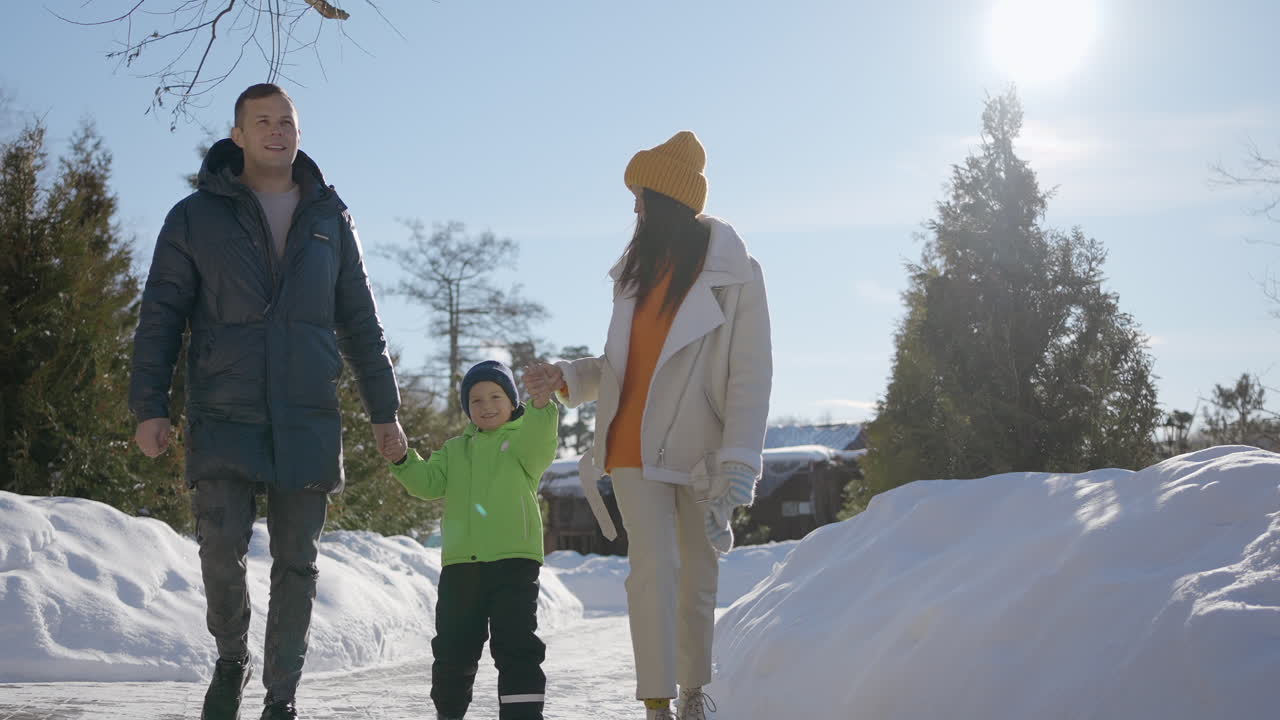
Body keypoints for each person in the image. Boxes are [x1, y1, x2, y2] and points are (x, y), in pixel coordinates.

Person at [129, 83, 407, 720]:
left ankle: (281, 696)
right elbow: (161, 316)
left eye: (287, 121)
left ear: (298, 133)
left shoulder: (331, 219)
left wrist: (383, 411)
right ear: (239, 136)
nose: (277, 131)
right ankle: (231, 657)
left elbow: (363, 322)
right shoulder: (193, 217)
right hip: (223, 409)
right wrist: (150, 405)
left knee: (297, 565)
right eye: (263, 121)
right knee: (219, 551)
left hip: (308, 412)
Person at [524, 130, 773, 720]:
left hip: (701, 453)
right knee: (652, 573)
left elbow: (750, 371)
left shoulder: (737, 274)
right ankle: (656, 704)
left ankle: (691, 694)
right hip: (631, 445)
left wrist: (740, 456)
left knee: (697, 578)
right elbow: (621, 368)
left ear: (665, 200)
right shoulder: (632, 276)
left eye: (639, 195)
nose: (633, 207)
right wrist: (568, 376)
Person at [390, 360, 559, 720]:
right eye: (476, 400)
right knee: (453, 647)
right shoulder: (455, 449)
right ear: (467, 409)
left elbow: (542, 445)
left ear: (513, 401)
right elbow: (427, 483)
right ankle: (448, 712)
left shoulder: (523, 440)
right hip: (460, 568)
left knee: (516, 646)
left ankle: (522, 715)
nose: (486, 406)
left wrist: (544, 407)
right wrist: (404, 459)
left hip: (514, 563)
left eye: (496, 396)